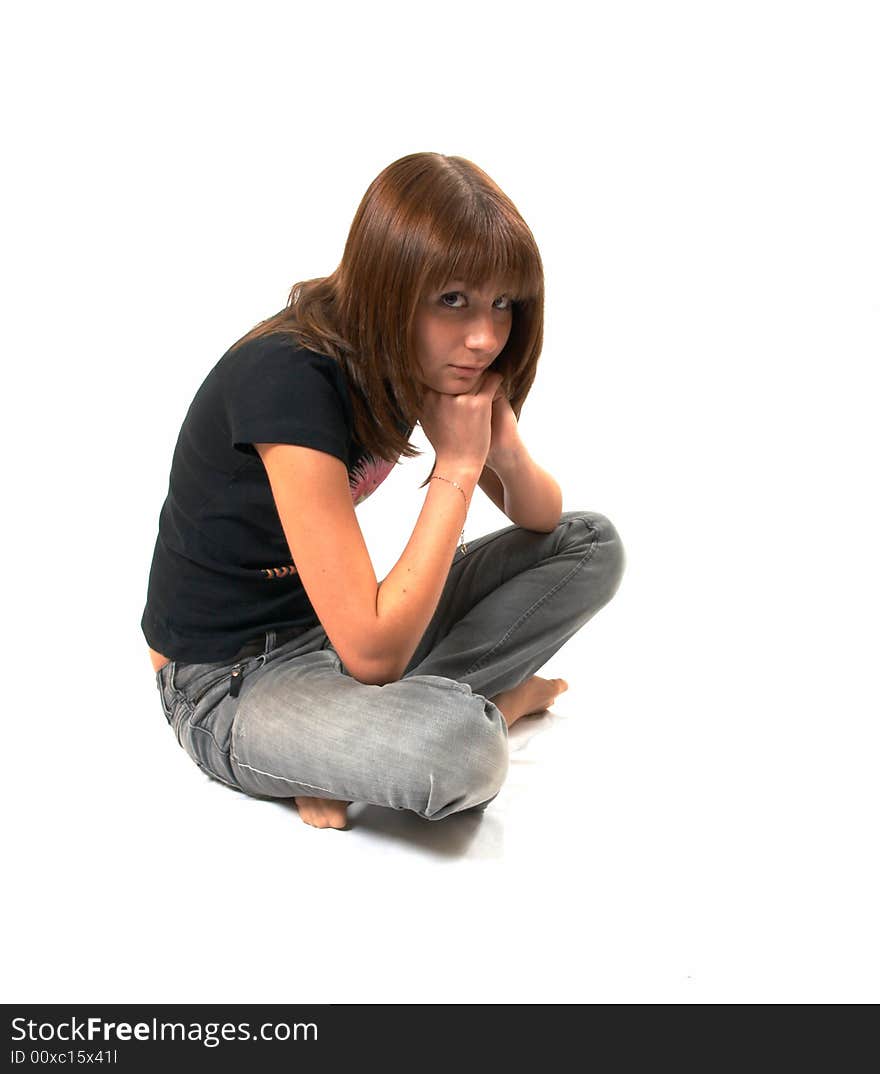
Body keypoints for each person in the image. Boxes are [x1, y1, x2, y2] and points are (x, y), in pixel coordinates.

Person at [142, 151, 626, 831]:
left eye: (502, 304)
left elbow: (543, 520)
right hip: (228, 681)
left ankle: (349, 745)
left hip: (335, 634)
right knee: (464, 750)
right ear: (389, 283)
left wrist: (502, 448)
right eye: (452, 299)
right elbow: (374, 652)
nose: (485, 337)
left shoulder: (416, 355)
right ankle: (469, 714)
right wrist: (457, 467)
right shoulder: (288, 380)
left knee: (592, 544)